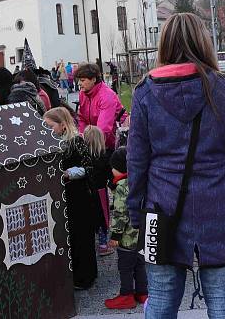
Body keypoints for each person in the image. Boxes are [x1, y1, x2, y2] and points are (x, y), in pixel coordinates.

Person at [127, 12, 225, 319]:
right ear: (203, 42)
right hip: (219, 207)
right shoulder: (223, 89)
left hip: (161, 209)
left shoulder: (145, 93)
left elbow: (137, 162)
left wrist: (135, 213)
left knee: (159, 300)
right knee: (223, 300)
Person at [43, 107, 98, 290]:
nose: (47, 129)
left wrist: (69, 173)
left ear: (63, 125)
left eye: (50, 126)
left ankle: (85, 277)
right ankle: (72, 275)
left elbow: (88, 167)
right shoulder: (50, 145)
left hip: (79, 196)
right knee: (69, 236)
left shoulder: (76, 142)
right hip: (63, 197)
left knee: (82, 235)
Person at [104, 146, 147, 309]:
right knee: (140, 265)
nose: (111, 171)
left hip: (127, 238)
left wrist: (115, 235)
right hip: (141, 235)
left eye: (112, 168)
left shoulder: (122, 186)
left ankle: (126, 295)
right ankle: (143, 293)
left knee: (125, 267)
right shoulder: (139, 180)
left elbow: (121, 212)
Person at [76, 62, 123, 150]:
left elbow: (104, 129)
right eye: (79, 80)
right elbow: (82, 118)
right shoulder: (83, 93)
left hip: (111, 143)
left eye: (82, 80)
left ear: (93, 79)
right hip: (94, 139)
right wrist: (83, 138)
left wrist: (92, 146)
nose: (79, 83)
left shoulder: (107, 96)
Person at [84, 125, 113, 257]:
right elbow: (110, 176)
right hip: (101, 192)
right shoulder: (104, 156)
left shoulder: (84, 157)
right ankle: (103, 245)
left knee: (89, 217)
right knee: (103, 218)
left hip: (87, 191)